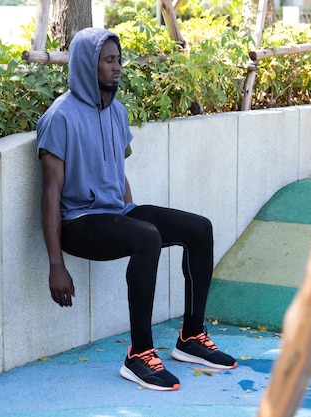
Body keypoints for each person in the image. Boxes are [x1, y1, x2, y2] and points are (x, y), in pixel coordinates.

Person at [37, 27, 237, 391]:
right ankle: (139, 355)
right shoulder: (59, 117)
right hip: (77, 222)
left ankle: (192, 337)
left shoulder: (117, 112)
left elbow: (118, 171)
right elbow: (51, 194)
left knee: (199, 228)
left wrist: (128, 214)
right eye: (108, 61)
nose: (117, 68)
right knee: (147, 236)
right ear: (87, 65)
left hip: (115, 212)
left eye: (118, 60)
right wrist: (56, 265)